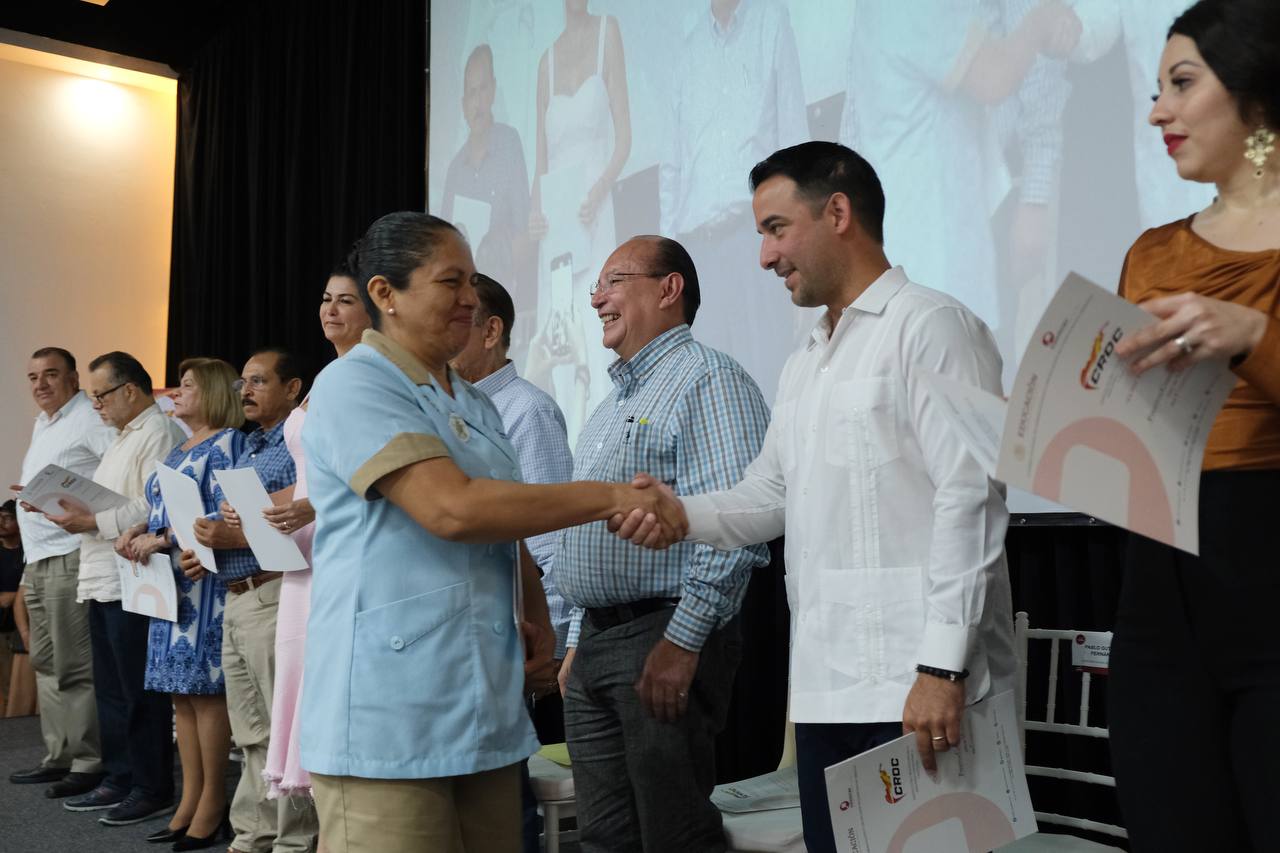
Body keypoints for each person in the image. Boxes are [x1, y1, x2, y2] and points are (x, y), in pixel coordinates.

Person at [613, 142, 1017, 853]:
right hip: (827, 690)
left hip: (919, 688)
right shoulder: (806, 359)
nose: (764, 256)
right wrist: (682, 515)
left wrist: (941, 665)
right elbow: (772, 492)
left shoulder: (934, 326)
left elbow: (972, 497)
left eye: (776, 229)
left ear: (837, 213)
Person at [299, 211, 682, 853]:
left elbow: (506, 525)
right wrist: (613, 496)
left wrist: (536, 617)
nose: (470, 299)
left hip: (483, 701)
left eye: (472, 282)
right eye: (450, 282)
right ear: (386, 294)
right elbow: (453, 509)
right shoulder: (354, 383)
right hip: (388, 709)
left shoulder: (473, 400)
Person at [1106, 3, 1280, 849]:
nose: (1157, 114)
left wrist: (1251, 334)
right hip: (1161, 579)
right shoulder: (1151, 253)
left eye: (1181, 84)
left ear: (1255, 90)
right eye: (1155, 91)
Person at [555, 235, 771, 853]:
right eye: (596, 287)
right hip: (597, 644)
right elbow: (586, 534)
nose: (596, 299)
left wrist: (682, 641)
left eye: (613, 282)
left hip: (663, 634)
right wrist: (578, 639)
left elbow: (734, 529)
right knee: (604, 839)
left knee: (673, 837)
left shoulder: (709, 380)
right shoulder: (610, 405)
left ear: (669, 289)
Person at [839, 0, 1078, 333]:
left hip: (912, 244)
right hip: (935, 255)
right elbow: (995, 78)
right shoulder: (921, 7)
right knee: (955, 355)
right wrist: (1043, 17)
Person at [449, 272, 574, 853]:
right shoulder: (451, 408)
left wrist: (553, 643)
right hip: (470, 642)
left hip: (519, 646)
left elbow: (548, 537)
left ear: (492, 330)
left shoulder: (527, 410)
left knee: (504, 814)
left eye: (460, 320)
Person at [179, 348, 314, 853]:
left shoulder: (300, 444)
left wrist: (233, 537)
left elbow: (305, 518)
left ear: (293, 388)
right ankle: (253, 834)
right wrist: (206, 548)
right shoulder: (248, 445)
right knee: (251, 731)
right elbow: (234, 520)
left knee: (282, 728)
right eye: (243, 383)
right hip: (236, 596)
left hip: (277, 592)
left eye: (259, 381)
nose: (246, 391)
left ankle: (294, 840)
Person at [42, 352, 185, 825]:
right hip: (104, 576)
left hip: (135, 578)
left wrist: (91, 520)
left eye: (100, 395)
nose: (96, 404)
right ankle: (120, 776)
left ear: (130, 390)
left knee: (139, 692)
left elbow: (152, 505)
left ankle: (151, 786)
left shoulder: (160, 431)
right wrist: (69, 509)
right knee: (111, 690)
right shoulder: (123, 436)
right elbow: (115, 503)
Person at [257, 263, 372, 812]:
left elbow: (370, 474)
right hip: (302, 550)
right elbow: (309, 473)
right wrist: (265, 505)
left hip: (339, 543)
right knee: (297, 671)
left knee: (329, 689)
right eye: (326, 298)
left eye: (345, 300)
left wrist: (312, 506)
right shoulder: (329, 373)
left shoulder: (370, 374)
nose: (330, 309)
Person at [119, 358, 243, 848]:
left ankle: (213, 803)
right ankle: (189, 800)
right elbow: (164, 508)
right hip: (168, 588)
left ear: (212, 391)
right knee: (182, 698)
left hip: (202, 583)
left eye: (187, 385)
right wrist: (139, 530)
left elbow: (223, 513)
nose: (176, 392)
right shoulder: (180, 448)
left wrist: (163, 537)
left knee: (207, 696)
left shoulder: (228, 443)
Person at [659, 0, 808, 405]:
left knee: (769, 378)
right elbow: (671, 167)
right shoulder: (688, 52)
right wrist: (669, 263)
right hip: (699, 252)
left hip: (755, 239)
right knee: (715, 393)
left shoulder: (770, 22)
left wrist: (798, 245)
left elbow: (794, 137)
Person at [8, 347, 115, 798]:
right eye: (33, 377)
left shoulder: (89, 418)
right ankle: (59, 755)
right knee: (46, 663)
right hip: (38, 558)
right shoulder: (45, 422)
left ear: (73, 378)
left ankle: (88, 761)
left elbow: (116, 478)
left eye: (51, 374)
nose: (41, 384)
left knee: (74, 665)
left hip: (72, 553)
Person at [528, 0, 632, 442]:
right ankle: (565, 450)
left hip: (594, 211)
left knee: (595, 327)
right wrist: (534, 211)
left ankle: (601, 446)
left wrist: (600, 190)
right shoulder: (545, 63)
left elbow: (624, 138)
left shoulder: (609, 32)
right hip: (556, 227)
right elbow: (541, 162)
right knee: (560, 334)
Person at [441, 45, 535, 325]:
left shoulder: (509, 144)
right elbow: (444, 250)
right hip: (463, 305)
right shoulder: (454, 170)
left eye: (483, 90)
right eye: (471, 93)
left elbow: (524, 234)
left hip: (502, 297)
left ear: (493, 91)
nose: (477, 102)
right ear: (463, 104)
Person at [0, 500, 25, 715]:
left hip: (22, 628)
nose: (1, 522)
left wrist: (16, 596)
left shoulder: (28, 552)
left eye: (7, 518)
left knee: (16, 687)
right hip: (1, 628)